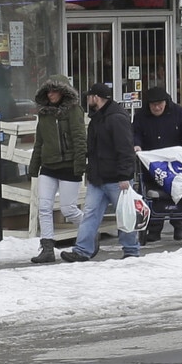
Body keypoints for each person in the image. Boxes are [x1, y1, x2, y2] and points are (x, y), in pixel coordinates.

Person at [64, 82, 141, 262]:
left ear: (95, 98)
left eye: (89, 97)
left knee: (125, 214)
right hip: (99, 178)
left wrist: (125, 176)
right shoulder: (100, 117)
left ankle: (131, 251)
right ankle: (82, 250)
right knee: (91, 213)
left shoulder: (115, 118)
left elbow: (125, 149)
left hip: (116, 179)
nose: (87, 100)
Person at [26, 75, 87, 264]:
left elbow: (79, 138)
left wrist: (79, 165)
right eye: (48, 91)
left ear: (63, 92)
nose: (51, 94)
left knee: (68, 209)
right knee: (44, 207)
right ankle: (47, 248)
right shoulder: (44, 114)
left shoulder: (74, 111)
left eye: (54, 90)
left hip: (68, 165)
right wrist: (34, 166)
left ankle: (89, 232)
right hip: (48, 166)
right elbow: (39, 142)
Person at [132, 85, 182, 243]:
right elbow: (135, 133)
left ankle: (179, 225)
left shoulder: (178, 112)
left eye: (160, 104)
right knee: (151, 194)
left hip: (174, 165)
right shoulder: (141, 116)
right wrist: (136, 145)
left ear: (166, 102)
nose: (157, 107)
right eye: (153, 105)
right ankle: (154, 228)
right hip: (151, 165)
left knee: (178, 192)